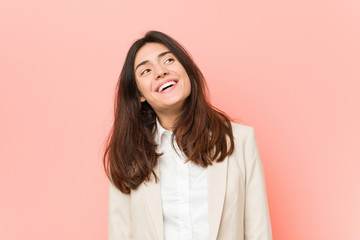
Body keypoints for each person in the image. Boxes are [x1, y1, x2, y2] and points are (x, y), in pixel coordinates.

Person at [103, 30, 272, 240]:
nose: (160, 72)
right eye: (145, 71)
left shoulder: (240, 141)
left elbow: (258, 231)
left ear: (186, 71)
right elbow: (121, 234)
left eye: (168, 60)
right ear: (139, 95)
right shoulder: (128, 156)